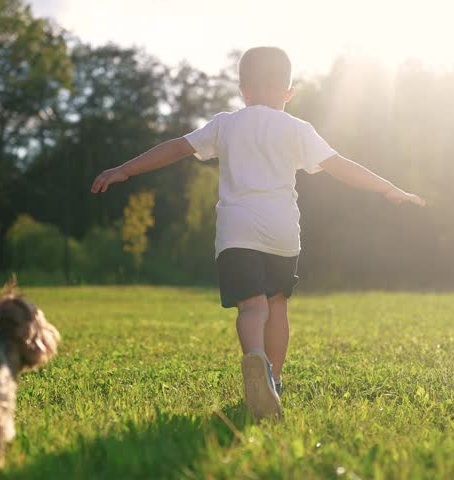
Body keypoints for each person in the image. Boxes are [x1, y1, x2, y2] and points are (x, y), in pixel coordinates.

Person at [91, 46, 426, 419]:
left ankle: (255, 360)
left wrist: (124, 169)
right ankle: (274, 381)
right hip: (282, 232)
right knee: (277, 306)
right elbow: (341, 166)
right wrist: (388, 188)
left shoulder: (225, 124)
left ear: (243, 90)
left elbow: (176, 148)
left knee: (252, 306)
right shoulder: (297, 129)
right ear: (288, 92)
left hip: (237, 232)